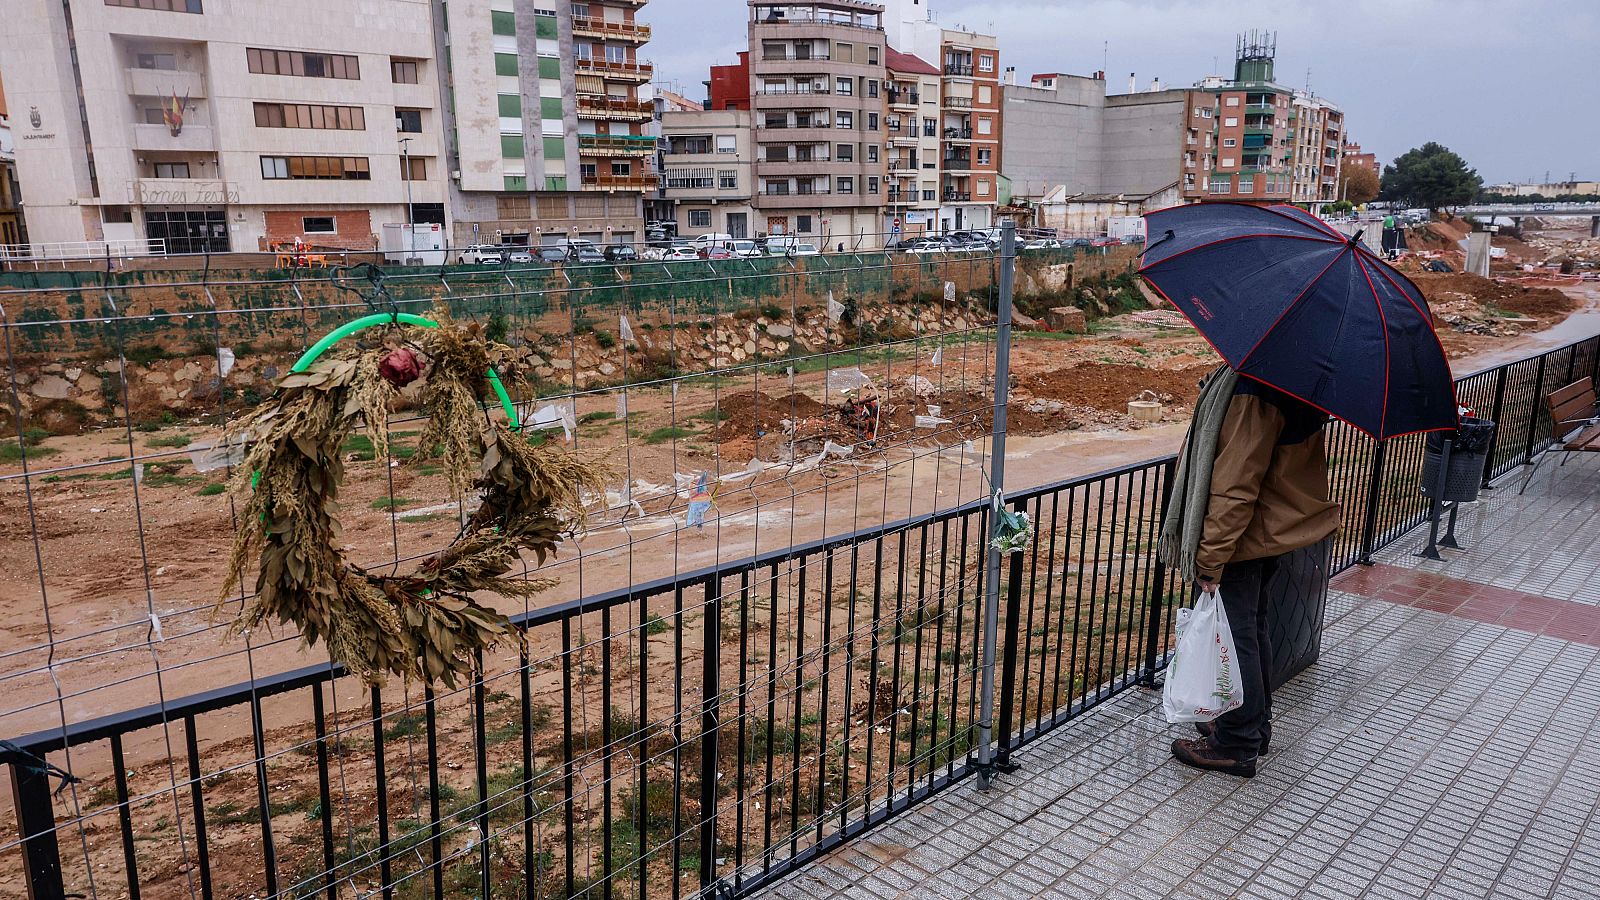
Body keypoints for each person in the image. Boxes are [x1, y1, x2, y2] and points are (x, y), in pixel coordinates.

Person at [1158, 367, 1339, 778]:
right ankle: (1255, 724)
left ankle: (1237, 743)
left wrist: (1211, 557)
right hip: (1269, 530)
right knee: (1251, 629)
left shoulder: (1253, 389)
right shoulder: (1289, 378)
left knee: (1238, 636)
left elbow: (1235, 485)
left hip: (1246, 536)